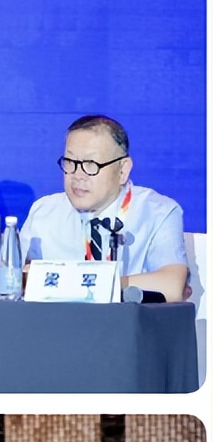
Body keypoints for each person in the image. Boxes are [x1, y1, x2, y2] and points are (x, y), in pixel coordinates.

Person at [20, 114, 189, 303]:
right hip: (55, 320)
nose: (78, 175)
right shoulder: (44, 211)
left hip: (125, 321)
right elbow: (4, 281)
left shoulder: (157, 212)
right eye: (70, 162)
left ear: (123, 170)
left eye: (91, 165)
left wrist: (82, 284)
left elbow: (172, 285)